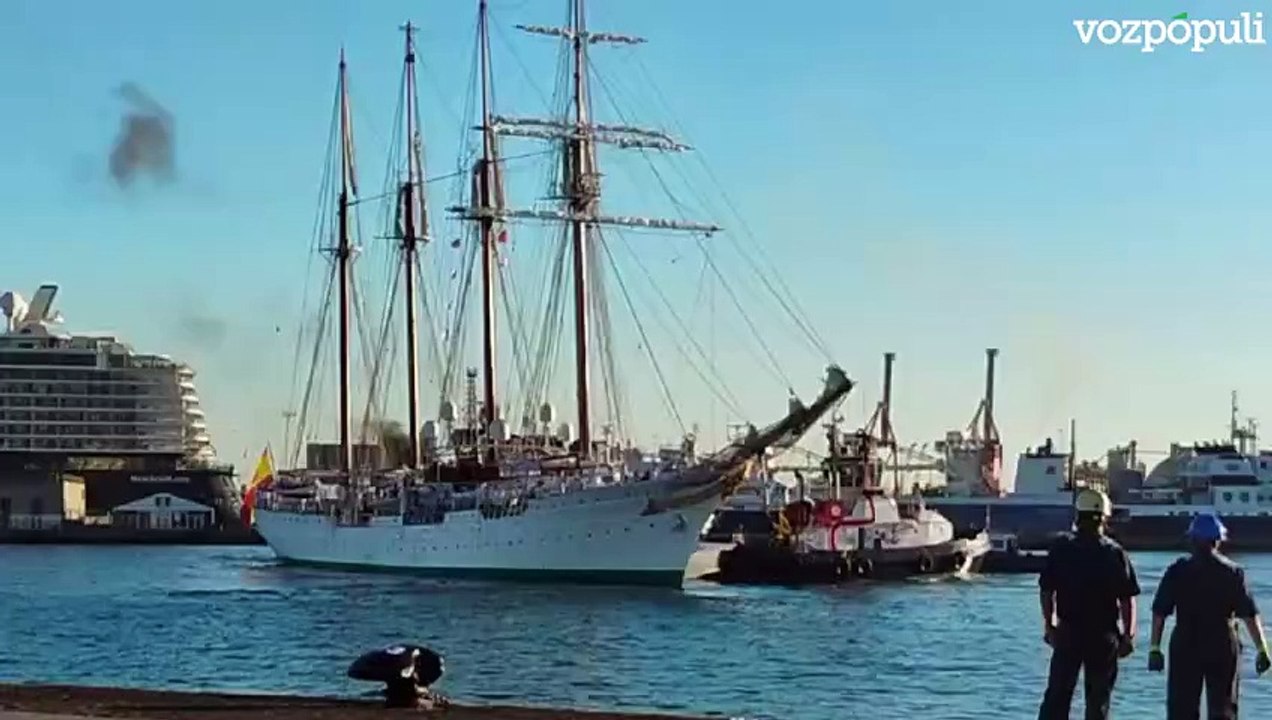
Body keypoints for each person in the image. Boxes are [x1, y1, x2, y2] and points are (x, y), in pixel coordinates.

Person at [1147, 512, 1271, 719]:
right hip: (1222, 643)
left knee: (1182, 709)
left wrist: (1154, 648)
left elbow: (1159, 612)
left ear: (1192, 540)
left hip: (1186, 643)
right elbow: (1249, 615)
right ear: (1218, 540)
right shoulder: (1233, 573)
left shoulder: (1177, 571)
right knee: (1223, 708)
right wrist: (1262, 649)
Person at [1037, 488, 1140, 720]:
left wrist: (1049, 625)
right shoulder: (1114, 553)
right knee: (1098, 701)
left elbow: (1046, 590)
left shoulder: (1062, 549)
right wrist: (1128, 636)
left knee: (1057, 698)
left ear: (1077, 516)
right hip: (1103, 636)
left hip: (1068, 632)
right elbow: (1127, 599)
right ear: (1104, 518)